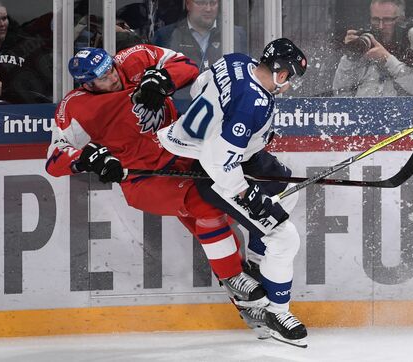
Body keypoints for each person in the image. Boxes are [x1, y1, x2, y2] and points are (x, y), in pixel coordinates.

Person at [45, 45, 269, 317]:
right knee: (206, 207)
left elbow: (186, 64)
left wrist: (163, 79)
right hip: (145, 178)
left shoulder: (134, 58)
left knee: (213, 218)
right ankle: (234, 276)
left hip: (183, 152)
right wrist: (88, 159)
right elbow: (55, 159)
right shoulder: (75, 107)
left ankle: (244, 298)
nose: (113, 77)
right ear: (87, 84)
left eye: (111, 68)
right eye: (102, 77)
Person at [157, 38, 309, 348]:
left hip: (223, 154)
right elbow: (220, 162)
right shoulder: (252, 103)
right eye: (290, 77)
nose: (289, 84)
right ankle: (276, 312)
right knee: (284, 236)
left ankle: (255, 261)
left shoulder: (236, 60)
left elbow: (201, 87)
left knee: (287, 190)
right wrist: (247, 194)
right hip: (213, 171)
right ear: (280, 74)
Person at [332, 0, 413, 97]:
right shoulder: (364, 44)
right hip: (363, 112)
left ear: (401, 20)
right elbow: (340, 92)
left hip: (406, 113)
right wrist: (351, 57)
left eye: (387, 20)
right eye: (376, 19)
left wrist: (387, 59)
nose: (380, 26)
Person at [152, 0, 247, 73]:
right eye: (201, 2)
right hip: (183, 98)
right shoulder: (166, 36)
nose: (208, 9)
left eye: (213, 3)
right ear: (188, 4)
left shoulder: (236, 35)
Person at [0, 1, 53, 103]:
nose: (2, 24)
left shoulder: (26, 49)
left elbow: (43, 94)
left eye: (4, 18)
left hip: (20, 115)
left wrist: (4, 91)